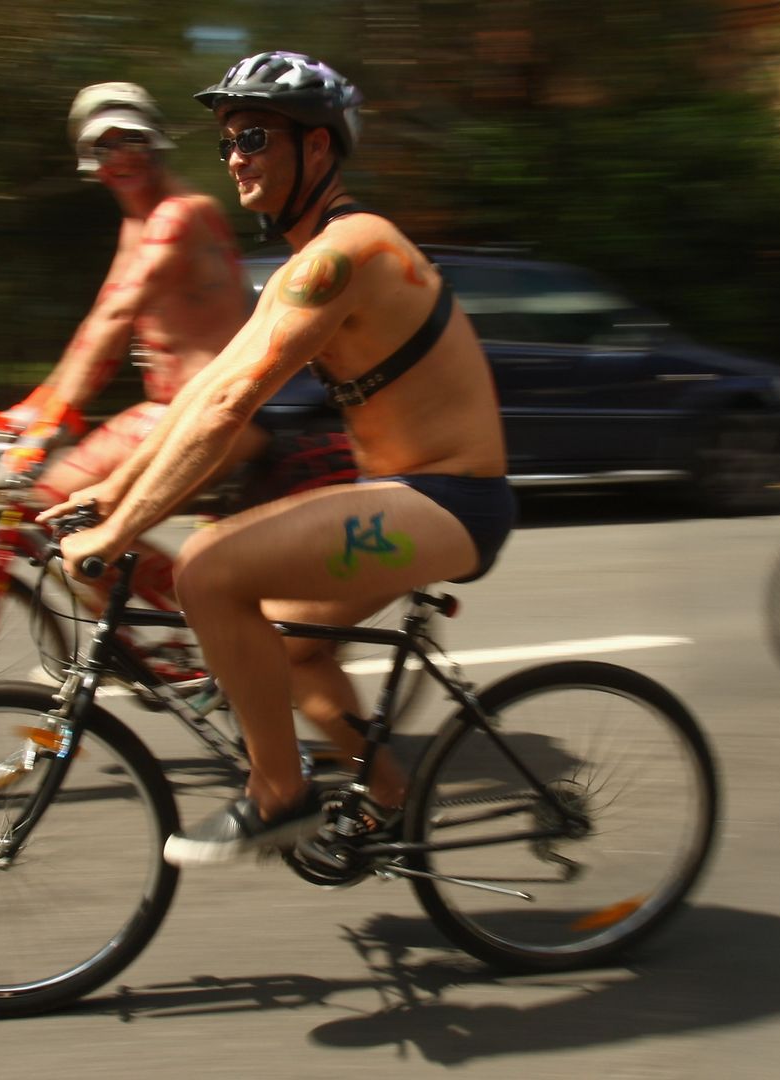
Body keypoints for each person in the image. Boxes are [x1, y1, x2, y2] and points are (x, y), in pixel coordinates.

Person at [43, 51, 515, 864]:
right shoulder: (310, 263)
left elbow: (230, 407)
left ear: (318, 147)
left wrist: (118, 536)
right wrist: (111, 493)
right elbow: (203, 388)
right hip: (404, 495)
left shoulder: (346, 253)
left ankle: (278, 796)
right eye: (228, 141)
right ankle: (394, 804)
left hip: (448, 501)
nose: (235, 157)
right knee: (291, 650)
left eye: (255, 136)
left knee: (206, 569)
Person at [0, 82, 263, 602]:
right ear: (89, 161)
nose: (120, 156)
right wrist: (37, 406)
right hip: (172, 413)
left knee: (64, 509)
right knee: (58, 510)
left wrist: (49, 423)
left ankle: (210, 623)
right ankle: (174, 633)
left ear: (157, 143)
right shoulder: (138, 225)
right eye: (104, 146)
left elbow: (118, 316)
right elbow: (99, 324)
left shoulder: (180, 214)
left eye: (132, 140)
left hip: (213, 416)